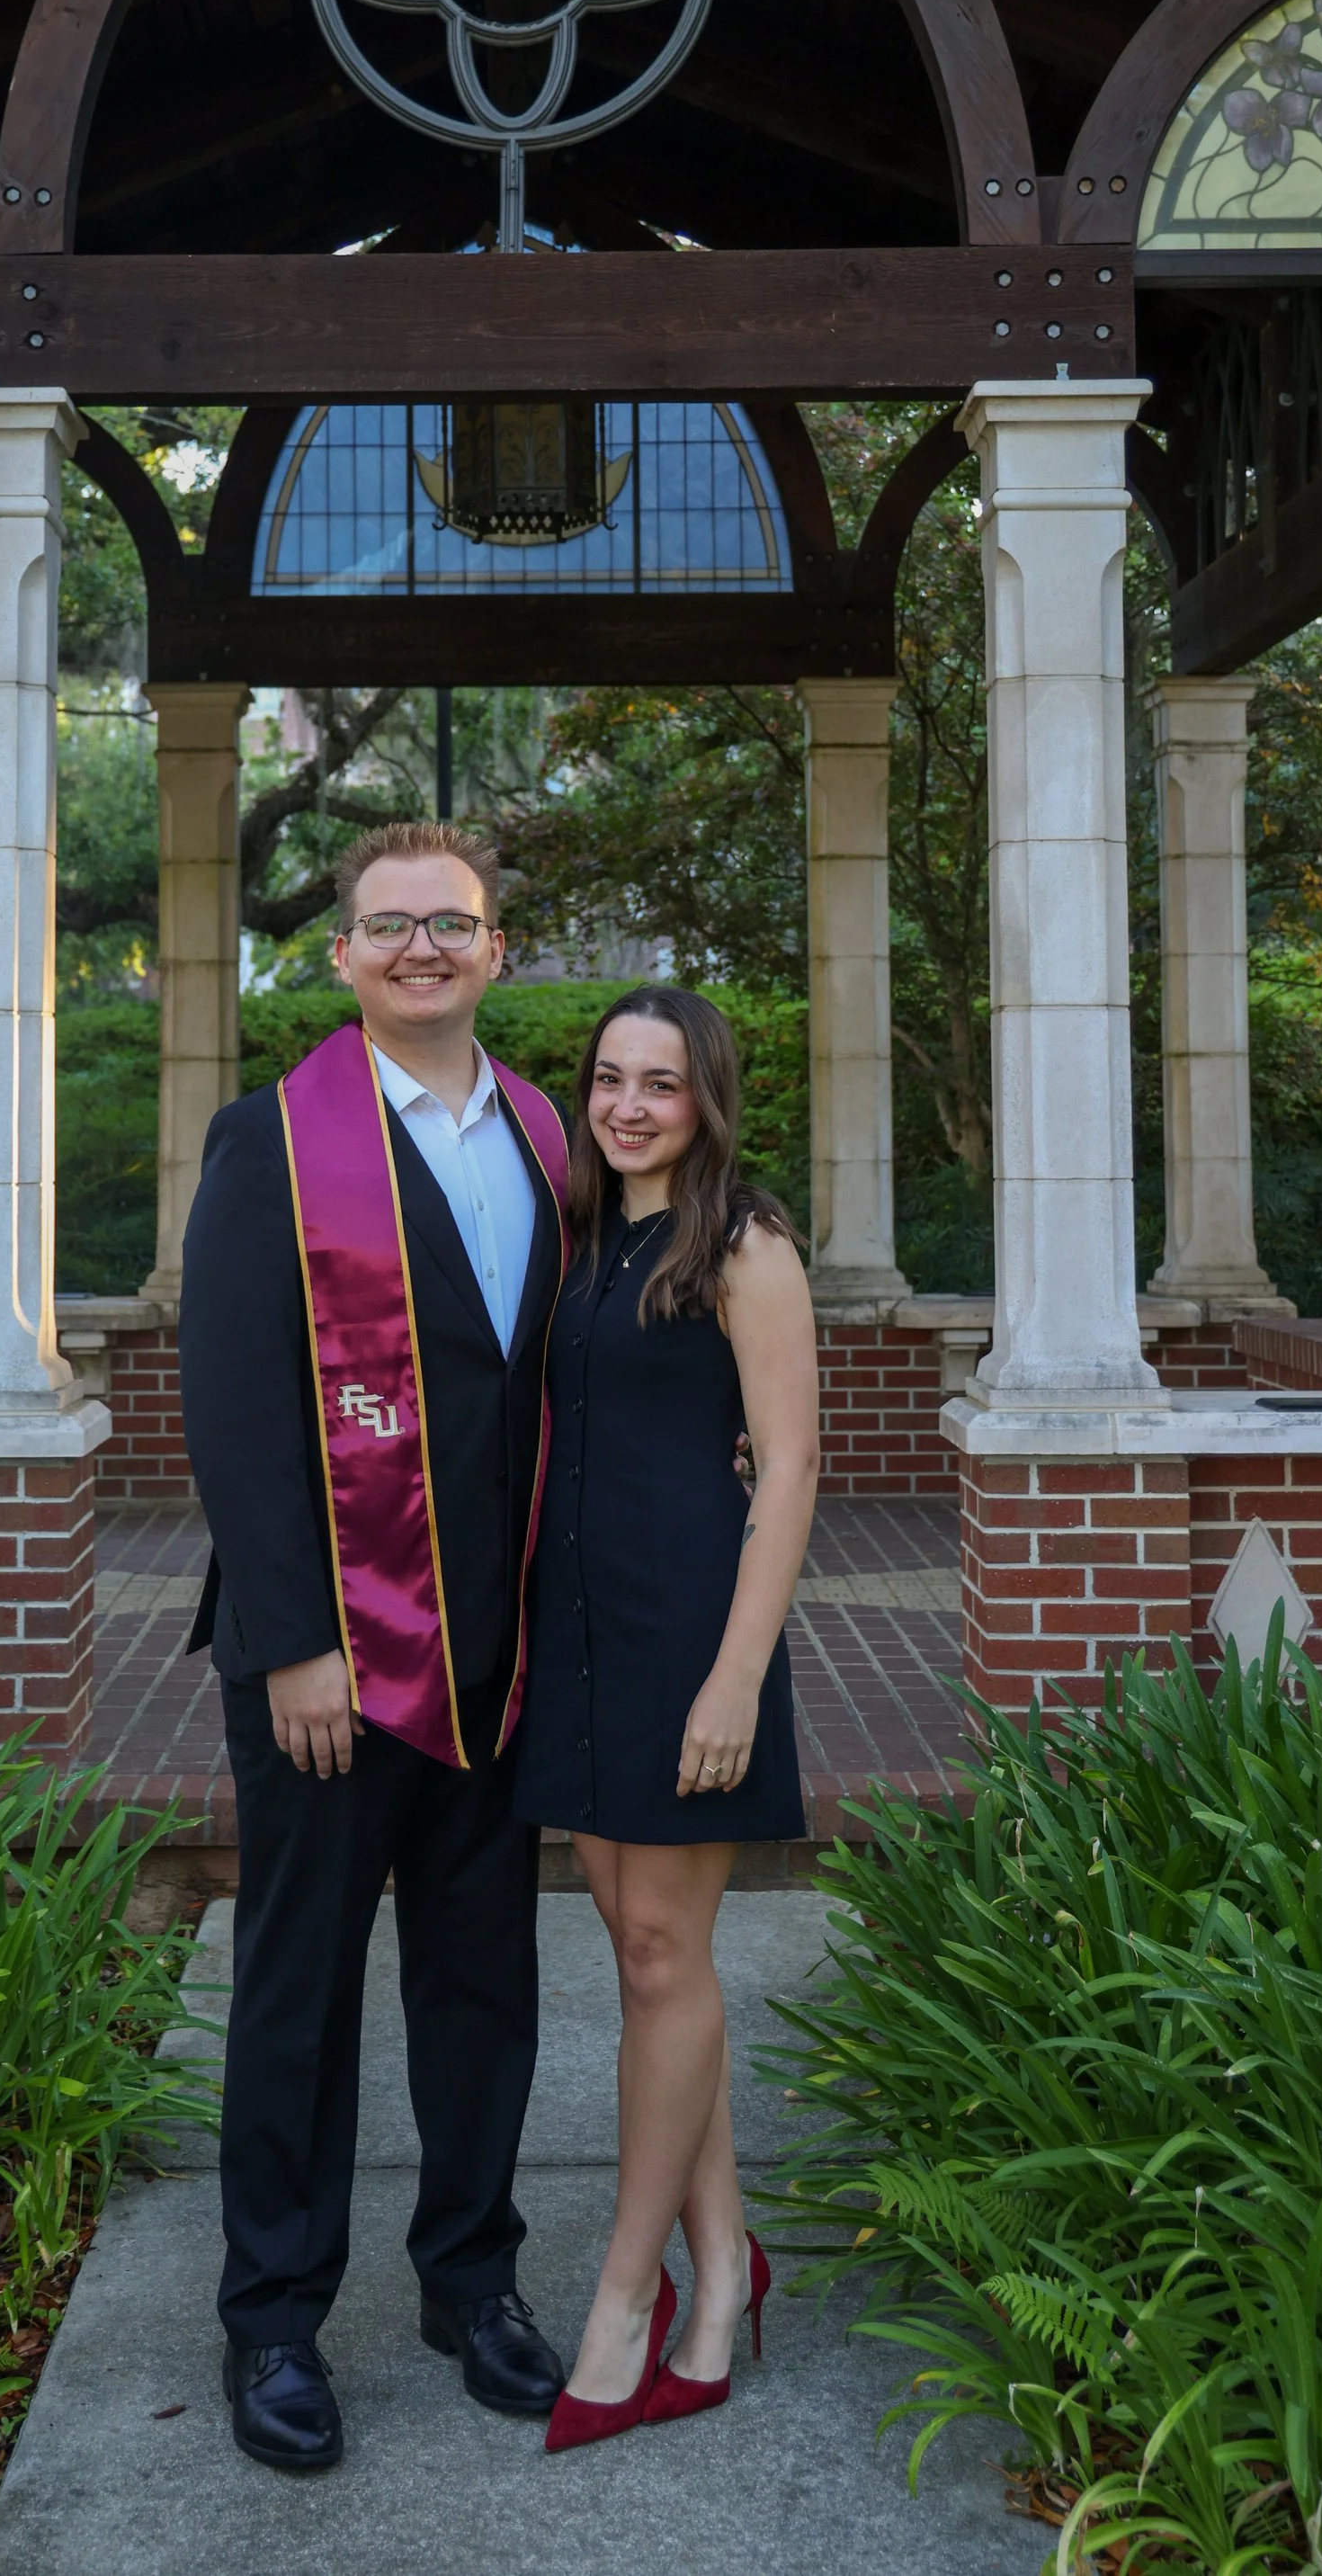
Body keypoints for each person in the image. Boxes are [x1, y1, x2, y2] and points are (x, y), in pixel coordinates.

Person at [176, 822, 573, 2474]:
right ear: (338, 955)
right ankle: (274, 2317)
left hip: (502, 1650)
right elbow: (236, 1409)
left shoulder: (553, 1136)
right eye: (389, 926)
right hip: (331, 1660)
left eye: (453, 925)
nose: (422, 948)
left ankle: (469, 2282)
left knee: (484, 1984)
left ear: (495, 950)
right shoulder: (271, 1140)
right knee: (301, 1991)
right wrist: (293, 1645)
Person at [509, 986, 819, 2450]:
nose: (631, 1105)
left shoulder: (744, 1243)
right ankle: (729, 2270)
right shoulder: (582, 1233)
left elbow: (796, 1466)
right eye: (611, 1079)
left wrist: (737, 1677)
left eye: (665, 1084)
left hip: (693, 1632)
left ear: (710, 1101)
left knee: (659, 1954)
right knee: (640, 1958)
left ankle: (628, 2300)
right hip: (582, 1637)